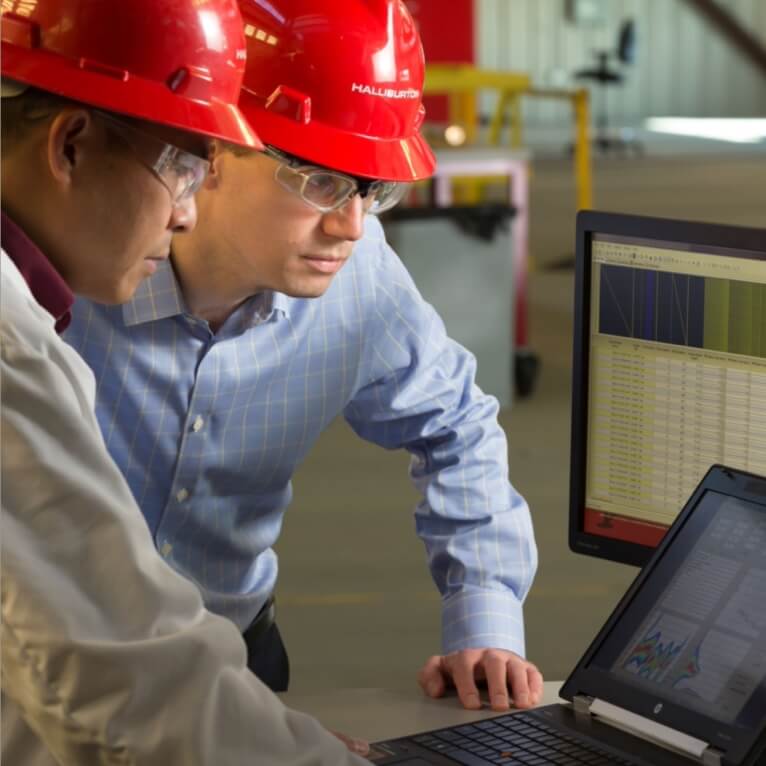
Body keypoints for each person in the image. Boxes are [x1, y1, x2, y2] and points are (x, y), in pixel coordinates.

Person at [65, 0, 543, 713]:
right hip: (46, 664)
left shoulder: (361, 277)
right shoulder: (64, 265)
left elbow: (457, 425)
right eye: (320, 179)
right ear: (211, 150)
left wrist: (485, 619)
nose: (350, 225)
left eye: (373, 188)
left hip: (231, 659)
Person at [1, 1, 370, 763]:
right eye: (179, 167)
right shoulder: (10, 351)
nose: (186, 214)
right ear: (69, 145)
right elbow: (124, 685)